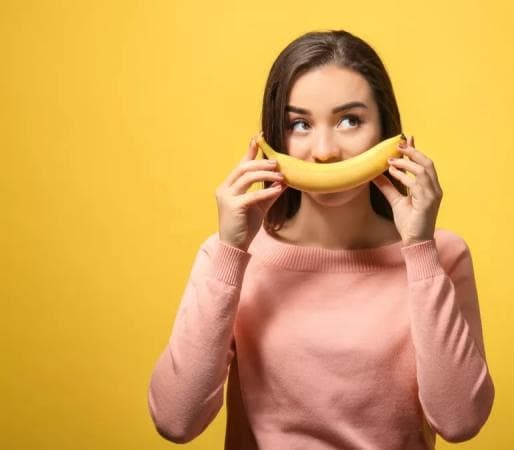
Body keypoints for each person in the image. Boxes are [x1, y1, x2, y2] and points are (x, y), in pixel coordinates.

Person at [147, 30, 494, 449]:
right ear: (273, 139)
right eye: (300, 125)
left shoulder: (441, 255)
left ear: (387, 132)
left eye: (350, 120)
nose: (325, 150)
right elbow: (175, 420)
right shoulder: (229, 256)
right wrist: (231, 253)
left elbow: (460, 421)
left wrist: (420, 250)